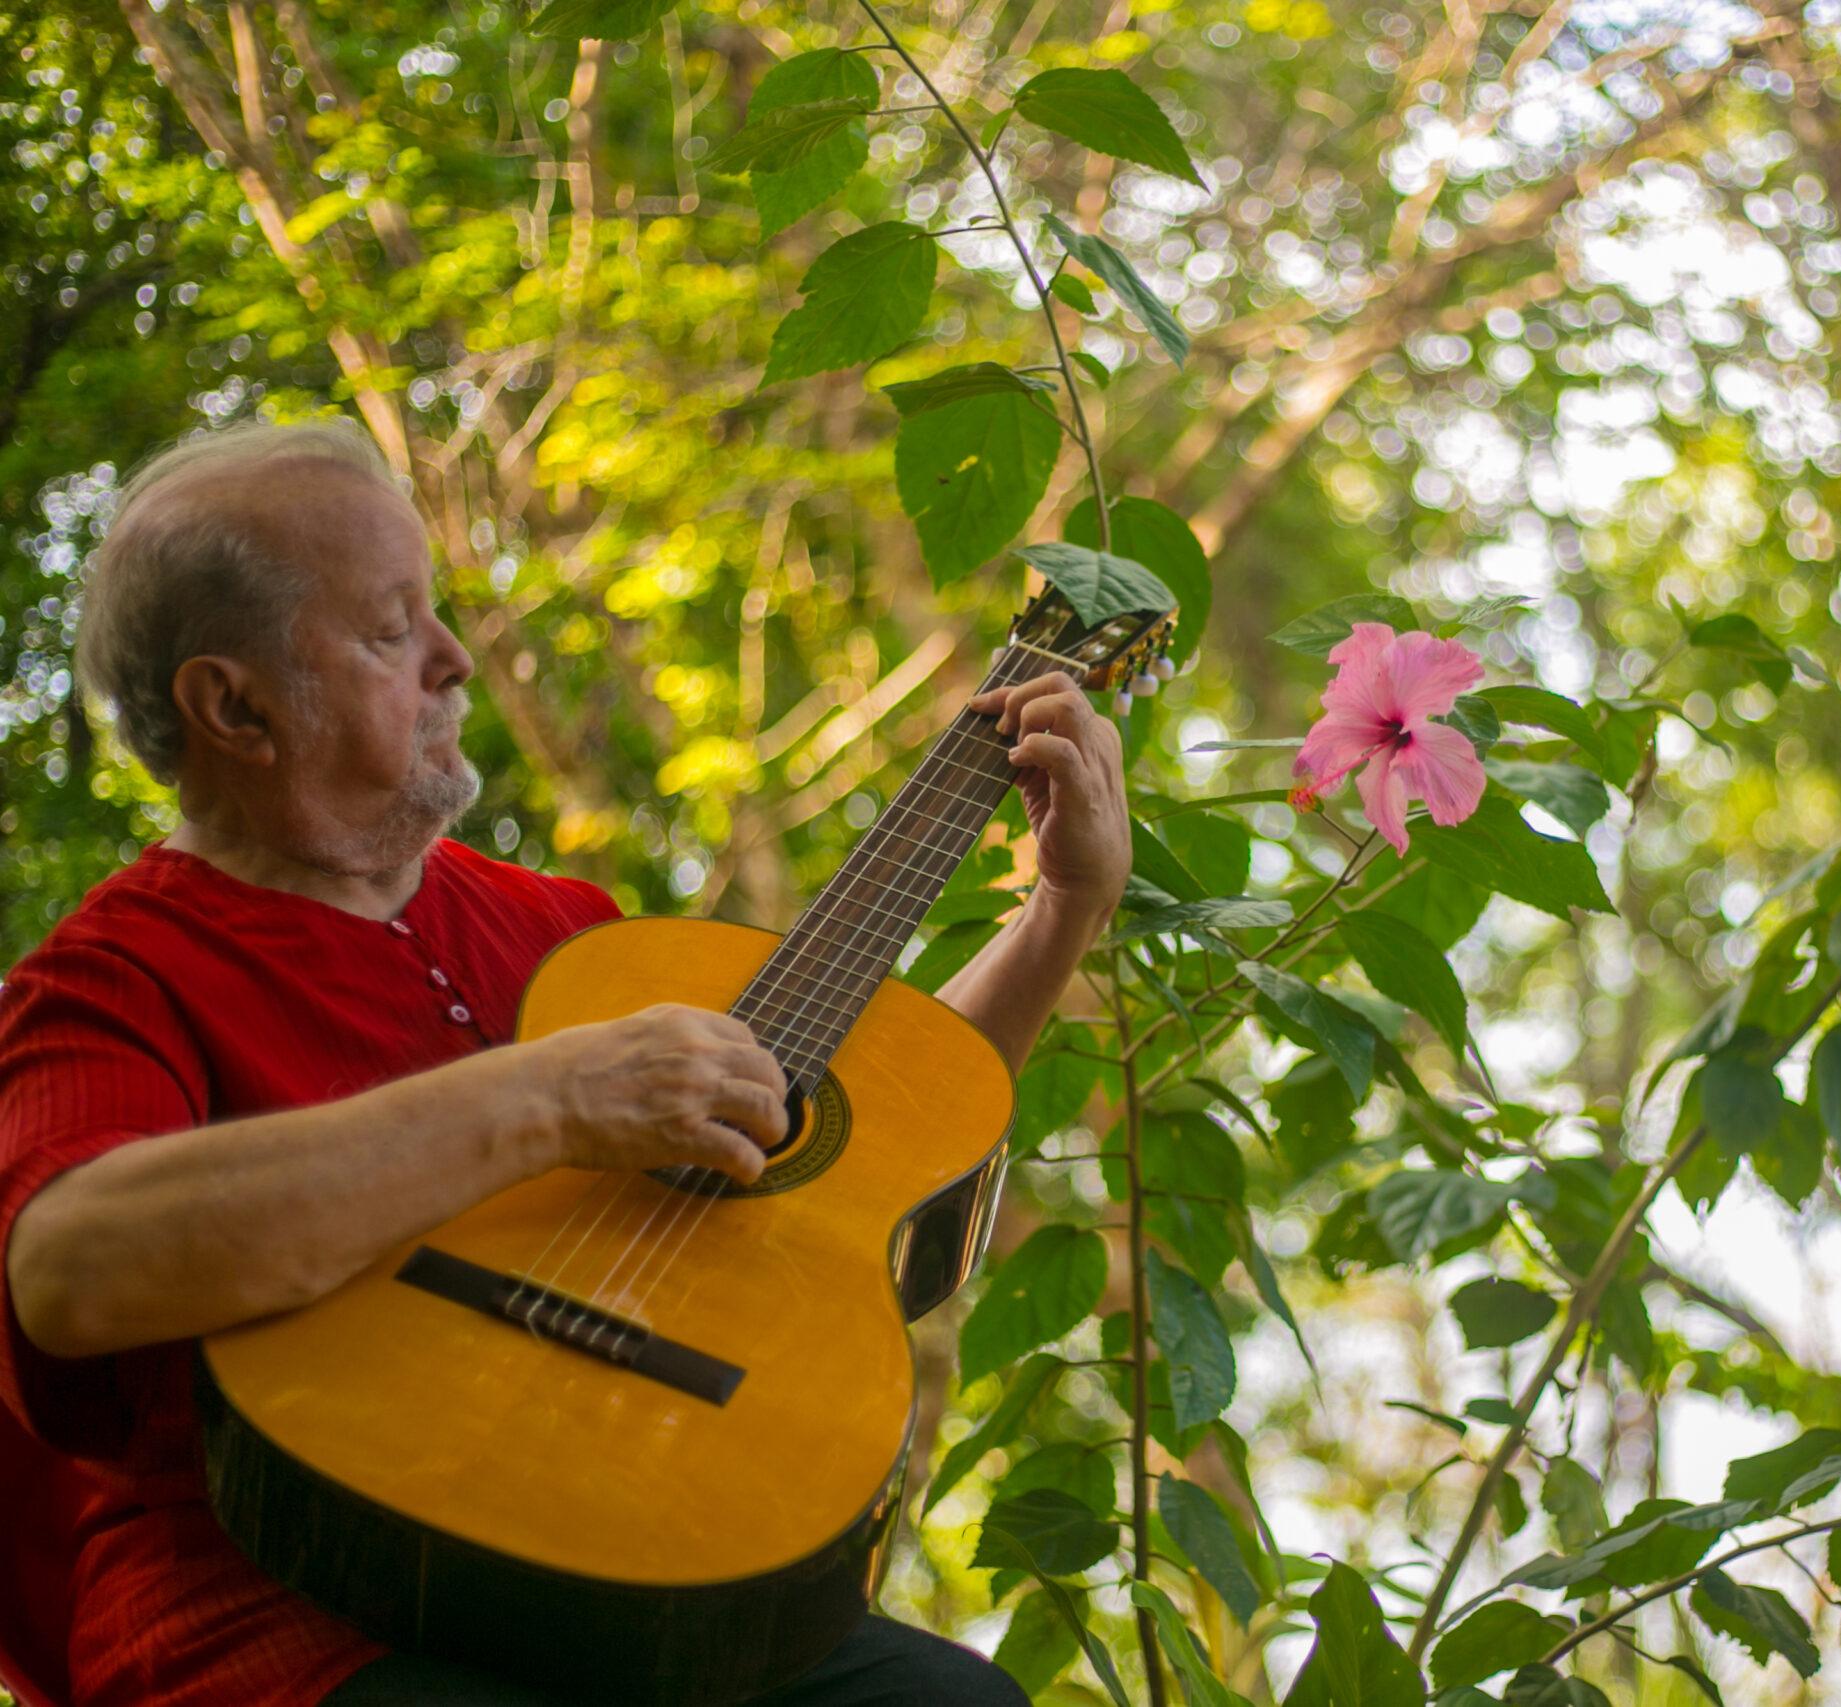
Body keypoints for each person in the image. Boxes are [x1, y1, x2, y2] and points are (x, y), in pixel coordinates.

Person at [0, 419, 1132, 1706]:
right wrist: (542, 1097)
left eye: (434, 612)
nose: (453, 658)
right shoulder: (112, 975)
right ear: (234, 705)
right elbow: (67, 1267)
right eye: (388, 631)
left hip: (644, 1576)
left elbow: (861, 1168)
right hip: (284, 1617)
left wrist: (1061, 912)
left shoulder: (570, 935)